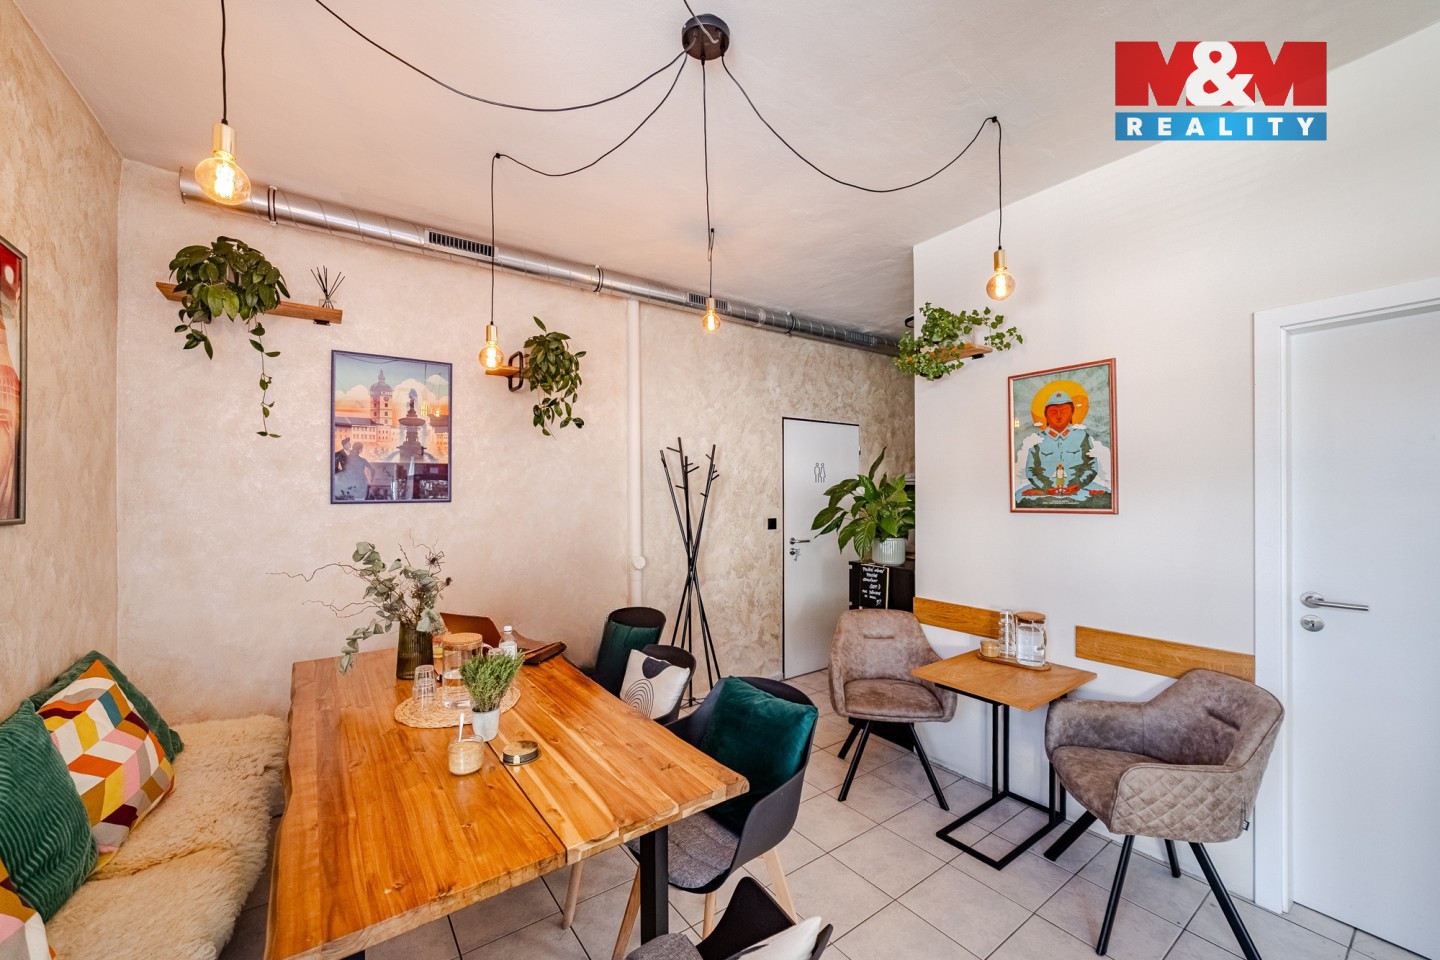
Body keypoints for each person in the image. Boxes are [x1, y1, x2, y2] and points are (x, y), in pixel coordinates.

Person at [1017, 391, 1106, 502]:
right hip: (1044, 492)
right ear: (1046, 415)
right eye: (1053, 412)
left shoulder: (1082, 436)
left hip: (1080, 490)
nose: (1059, 416)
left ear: (1072, 413)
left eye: (1064, 411)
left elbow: (1091, 466)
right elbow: (1031, 470)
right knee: (1019, 500)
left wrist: (1077, 485)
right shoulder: (1037, 439)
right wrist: (1046, 488)